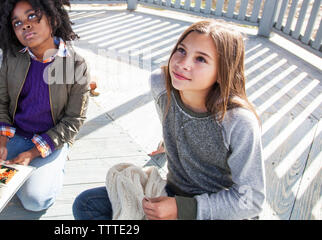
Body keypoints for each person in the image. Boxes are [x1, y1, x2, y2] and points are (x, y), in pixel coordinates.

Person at [73, 21, 266, 220]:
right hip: (172, 191)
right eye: (181, 50)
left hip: (217, 209)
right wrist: (169, 142)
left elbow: (251, 201)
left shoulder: (237, 121)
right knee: (87, 204)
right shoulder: (161, 84)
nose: (183, 63)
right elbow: (175, 123)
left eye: (201, 59)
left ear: (222, 72)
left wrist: (182, 208)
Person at [0, 0, 90, 212]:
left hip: (49, 139)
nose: (25, 25)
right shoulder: (14, 58)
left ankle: (52, 162)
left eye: (33, 16)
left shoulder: (74, 64)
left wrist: (32, 153)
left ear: (53, 18)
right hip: (13, 133)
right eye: (17, 22)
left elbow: (73, 120)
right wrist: (2, 141)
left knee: (35, 201)